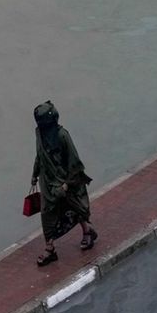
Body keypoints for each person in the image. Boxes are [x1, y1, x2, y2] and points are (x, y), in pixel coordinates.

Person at [30, 100, 96, 266]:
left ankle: (87, 231)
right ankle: (50, 248)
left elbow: (75, 163)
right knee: (47, 213)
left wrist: (66, 185)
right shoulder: (40, 133)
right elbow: (39, 155)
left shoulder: (62, 136)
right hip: (48, 184)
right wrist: (34, 174)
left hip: (66, 182)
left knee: (74, 207)